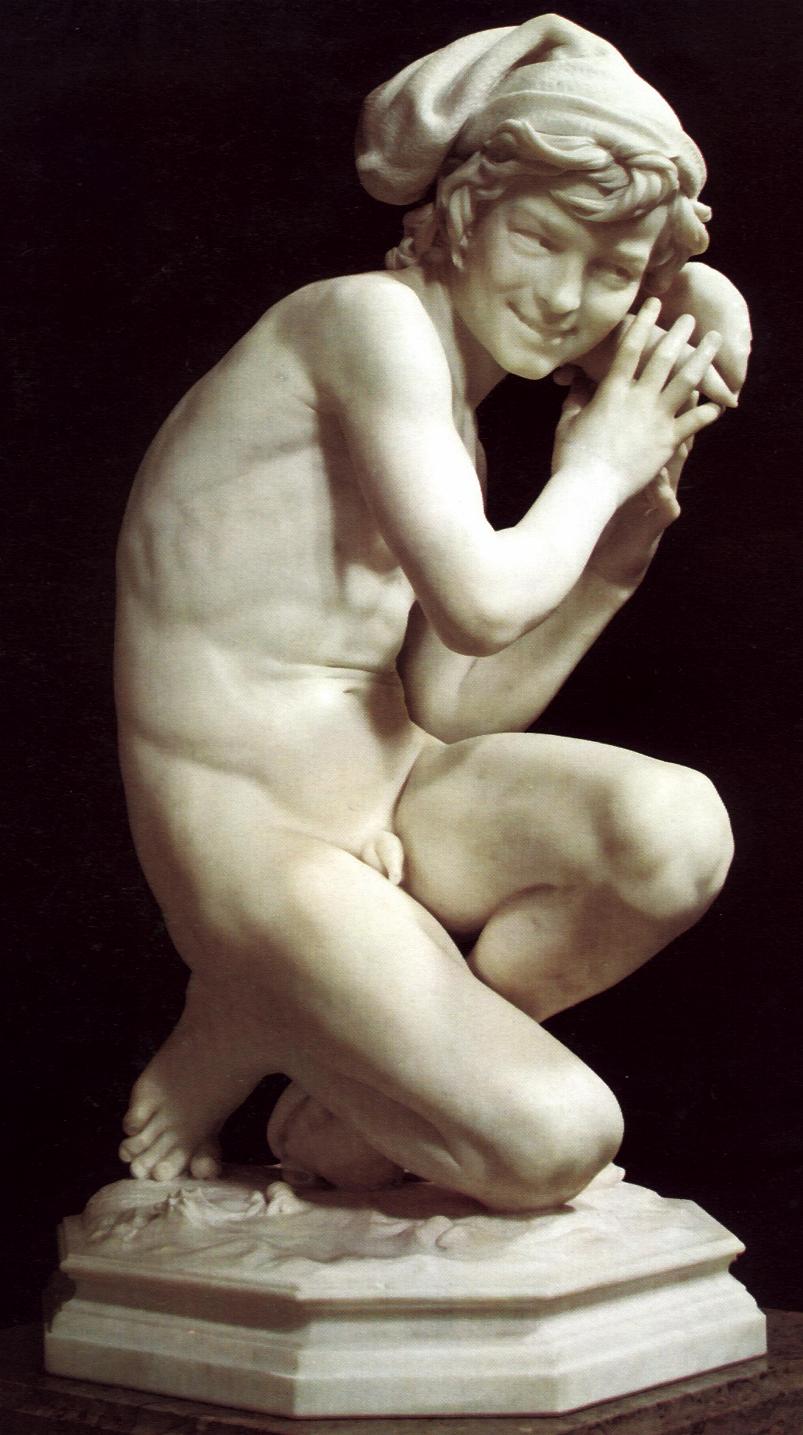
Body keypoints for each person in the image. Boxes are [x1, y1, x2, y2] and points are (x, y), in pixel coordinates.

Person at [116, 16, 749, 1209]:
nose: (562, 297)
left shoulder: (449, 418)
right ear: (460, 209)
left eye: (610, 270)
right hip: (257, 841)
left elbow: (453, 702)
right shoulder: (362, 325)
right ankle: (265, 1006)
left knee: (676, 830)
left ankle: (333, 1055)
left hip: (382, 803)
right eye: (536, 237)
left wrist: (615, 556)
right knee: (557, 1141)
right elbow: (481, 596)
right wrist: (598, 464)